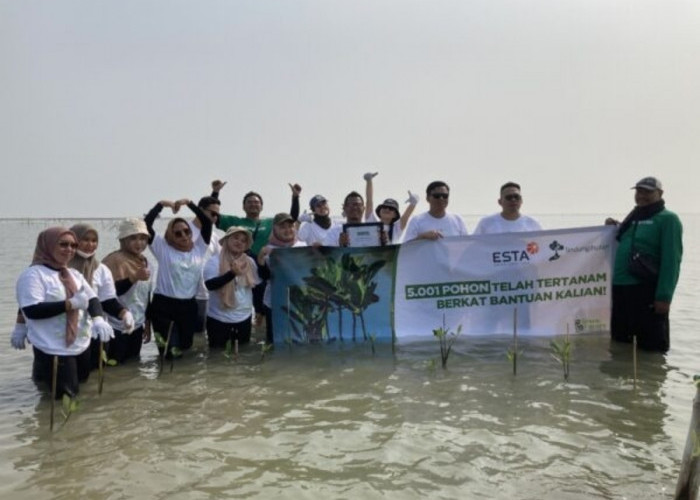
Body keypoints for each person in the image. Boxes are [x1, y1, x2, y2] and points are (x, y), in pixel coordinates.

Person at [14, 227, 114, 398]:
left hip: (80, 345)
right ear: (48, 246)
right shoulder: (33, 275)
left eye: (73, 245)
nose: (69, 249)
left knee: (81, 390)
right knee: (64, 398)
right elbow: (32, 310)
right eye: (63, 245)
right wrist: (70, 304)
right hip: (54, 348)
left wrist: (98, 318)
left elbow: (92, 299)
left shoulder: (73, 274)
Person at [604, 176, 683, 353]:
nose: (642, 196)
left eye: (648, 192)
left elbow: (672, 260)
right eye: (639, 191)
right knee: (620, 343)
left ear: (660, 193)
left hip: (645, 290)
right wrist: (612, 228)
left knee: (651, 347)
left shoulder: (668, 219)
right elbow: (624, 240)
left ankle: (652, 379)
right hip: (621, 290)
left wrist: (664, 297)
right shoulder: (633, 218)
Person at [212, 180, 300, 325]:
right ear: (243, 206)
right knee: (241, 303)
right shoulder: (235, 221)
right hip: (240, 269)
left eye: (257, 202)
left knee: (262, 307)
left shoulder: (270, 222)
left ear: (262, 206)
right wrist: (215, 192)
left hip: (261, 268)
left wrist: (295, 198)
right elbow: (214, 217)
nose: (253, 204)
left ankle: (259, 334)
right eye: (250, 202)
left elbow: (291, 219)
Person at [144, 198, 213, 358]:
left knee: (186, 348)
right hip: (163, 307)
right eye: (178, 233)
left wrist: (189, 204)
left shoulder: (199, 248)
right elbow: (146, 225)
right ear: (170, 235)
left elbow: (207, 223)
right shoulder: (162, 248)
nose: (183, 235)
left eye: (186, 231)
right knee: (169, 352)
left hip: (189, 306)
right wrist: (160, 205)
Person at [69, 223, 134, 371]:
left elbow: (107, 300)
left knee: (92, 377)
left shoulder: (101, 269)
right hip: (65, 333)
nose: (90, 244)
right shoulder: (61, 267)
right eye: (85, 239)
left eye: (94, 240)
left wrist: (124, 313)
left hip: (96, 331)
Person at [102, 218, 153, 364]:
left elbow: (146, 296)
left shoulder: (146, 262)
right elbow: (107, 295)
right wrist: (133, 278)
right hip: (116, 326)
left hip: (137, 324)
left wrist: (147, 325)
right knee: (114, 366)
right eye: (133, 238)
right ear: (122, 240)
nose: (139, 243)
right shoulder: (112, 261)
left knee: (133, 365)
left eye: (143, 238)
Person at [204, 227, 260, 349]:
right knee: (217, 358)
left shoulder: (249, 262)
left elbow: (257, 286)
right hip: (219, 319)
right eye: (235, 238)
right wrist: (232, 274)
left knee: (243, 356)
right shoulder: (214, 261)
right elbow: (210, 285)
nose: (239, 242)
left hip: (244, 318)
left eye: (243, 240)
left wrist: (259, 311)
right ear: (226, 240)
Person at [257, 213, 307, 343]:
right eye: (282, 227)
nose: (287, 230)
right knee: (274, 340)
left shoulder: (303, 246)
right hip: (274, 303)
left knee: (299, 339)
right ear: (274, 229)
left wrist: (319, 251)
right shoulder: (268, 249)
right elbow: (264, 277)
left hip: (299, 303)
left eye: (290, 226)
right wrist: (261, 261)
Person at [189, 196, 223, 334]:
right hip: (186, 293)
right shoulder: (184, 230)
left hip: (205, 294)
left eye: (218, 215)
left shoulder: (214, 237)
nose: (215, 218)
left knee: (200, 336)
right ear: (200, 210)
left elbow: (219, 261)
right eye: (212, 213)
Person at [364, 171, 419, 244]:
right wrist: (369, 181)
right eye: (384, 207)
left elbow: (406, 216)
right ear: (379, 211)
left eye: (391, 209)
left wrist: (414, 202)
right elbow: (369, 201)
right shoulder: (372, 223)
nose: (387, 209)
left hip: (391, 255)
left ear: (395, 215)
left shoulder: (397, 228)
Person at [403, 181, 468, 241]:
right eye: (437, 196)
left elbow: (466, 245)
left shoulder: (457, 220)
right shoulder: (417, 221)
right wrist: (422, 236)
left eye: (445, 196)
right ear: (427, 198)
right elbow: (406, 248)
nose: (441, 198)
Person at [473, 182, 542, 234]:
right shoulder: (486, 223)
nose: (513, 200)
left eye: (516, 197)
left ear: (521, 201)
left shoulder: (532, 224)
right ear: (500, 202)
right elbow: (473, 246)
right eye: (509, 197)